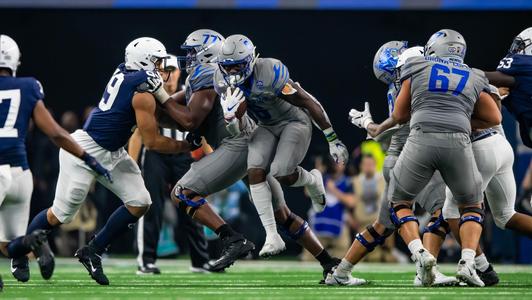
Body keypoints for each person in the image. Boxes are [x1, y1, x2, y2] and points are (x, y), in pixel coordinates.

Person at [6, 37, 200, 285]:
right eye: (157, 62)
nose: (162, 69)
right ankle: (19, 254)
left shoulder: (131, 74)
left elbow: (162, 114)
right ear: (143, 63)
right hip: (85, 151)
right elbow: (152, 142)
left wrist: (187, 124)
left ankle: (92, 250)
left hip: (113, 151)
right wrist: (186, 145)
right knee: (60, 215)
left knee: (140, 202)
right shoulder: (142, 90)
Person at [149, 30, 341, 279]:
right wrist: (152, 105)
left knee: (182, 194)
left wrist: (158, 96)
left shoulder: (208, 74)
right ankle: (329, 263)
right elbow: (177, 114)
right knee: (282, 215)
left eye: (192, 51)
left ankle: (232, 239)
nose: (189, 57)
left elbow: (189, 119)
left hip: (237, 144)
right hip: (247, 142)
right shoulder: (213, 76)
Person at [347, 30, 502, 286]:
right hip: (451, 145)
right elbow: (494, 117)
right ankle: (470, 264)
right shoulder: (465, 73)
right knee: (460, 209)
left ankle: (342, 270)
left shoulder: (413, 71)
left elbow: (396, 118)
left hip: (411, 150)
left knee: (391, 218)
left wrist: (368, 124)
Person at [326, 43, 456, 287]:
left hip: (398, 160)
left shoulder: (400, 87)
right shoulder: (416, 85)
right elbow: (397, 124)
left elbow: (390, 128)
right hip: (415, 159)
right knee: (443, 209)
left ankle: (341, 272)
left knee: (383, 225)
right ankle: (425, 264)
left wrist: (368, 125)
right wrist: (369, 125)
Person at [210, 34, 349, 257]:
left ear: (250, 60)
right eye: (228, 67)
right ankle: (272, 236)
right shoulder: (220, 80)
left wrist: (332, 138)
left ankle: (313, 180)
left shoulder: (270, 72)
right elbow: (236, 132)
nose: (233, 72)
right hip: (265, 125)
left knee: (281, 173)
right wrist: (230, 118)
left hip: (293, 121)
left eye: (237, 66)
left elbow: (306, 100)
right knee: (254, 170)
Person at [0, 34, 110, 283]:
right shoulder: (28, 86)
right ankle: (33, 241)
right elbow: (57, 134)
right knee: (10, 247)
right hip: (20, 175)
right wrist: (89, 159)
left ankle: (33, 241)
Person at [129, 55, 211, 274]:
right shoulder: (151, 93)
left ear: (179, 72)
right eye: (164, 70)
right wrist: (132, 167)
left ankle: (200, 260)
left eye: (172, 69)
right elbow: (138, 133)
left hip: (183, 156)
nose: (168, 75)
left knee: (192, 204)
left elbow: (202, 131)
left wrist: (214, 160)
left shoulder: (190, 91)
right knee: (151, 206)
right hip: (155, 153)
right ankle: (146, 260)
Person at [485, 27, 532, 147]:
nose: (517, 49)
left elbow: (495, 77)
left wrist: (463, 72)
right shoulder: (522, 76)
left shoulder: (522, 64)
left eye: (521, 46)